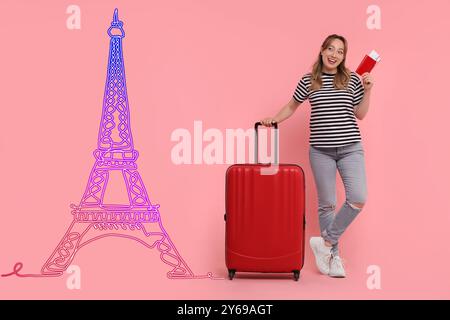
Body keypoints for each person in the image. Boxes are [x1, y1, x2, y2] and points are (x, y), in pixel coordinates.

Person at [260, 34, 374, 278]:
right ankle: (332, 259)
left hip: (350, 148)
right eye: (330, 49)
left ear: (344, 56)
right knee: (327, 204)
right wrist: (273, 119)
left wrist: (368, 91)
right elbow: (292, 106)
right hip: (320, 150)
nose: (334, 54)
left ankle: (325, 243)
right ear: (322, 51)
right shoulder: (308, 80)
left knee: (358, 197)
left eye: (340, 51)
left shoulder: (352, 79)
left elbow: (360, 114)